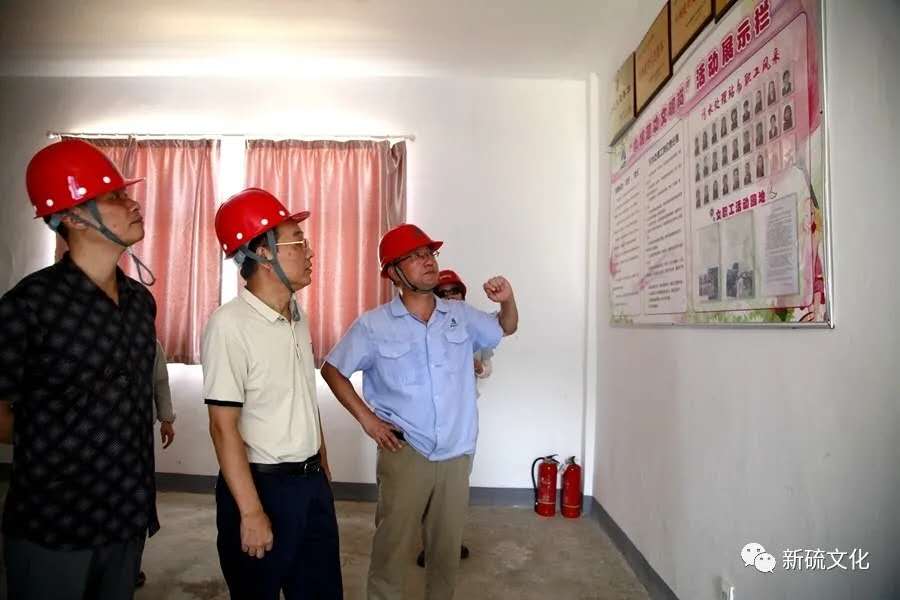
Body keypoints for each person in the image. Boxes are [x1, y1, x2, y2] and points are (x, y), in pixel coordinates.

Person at [321, 224, 518, 600]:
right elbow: (333, 369)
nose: (427, 261)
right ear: (393, 273)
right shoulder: (373, 325)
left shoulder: (460, 315)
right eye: (414, 256)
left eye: (429, 253)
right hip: (405, 451)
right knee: (392, 547)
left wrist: (507, 300)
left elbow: (505, 327)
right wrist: (369, 420)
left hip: (456, 452)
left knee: (445, 551)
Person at [0, 138, 159, 600]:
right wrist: (59, 444)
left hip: (126, 516)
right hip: (55, 522)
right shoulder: (28, 306)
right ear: (72, 217)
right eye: (115, 197)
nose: (133, 204)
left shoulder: (139, 302)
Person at [202, 188, 342, 599]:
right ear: (263, 253)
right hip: (262, 488)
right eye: (298, 241)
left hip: (310, 484)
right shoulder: (230, 325)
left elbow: (302, 397)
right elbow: (223, 427)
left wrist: (322, 466)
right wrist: (251, 512)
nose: (309, 251)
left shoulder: (297, 316)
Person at [135, 339, 176, 588]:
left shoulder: (150, 343)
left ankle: (131, 564)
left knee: (138, 500)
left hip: (138, 435)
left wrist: (166, 419)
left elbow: (160, 381)